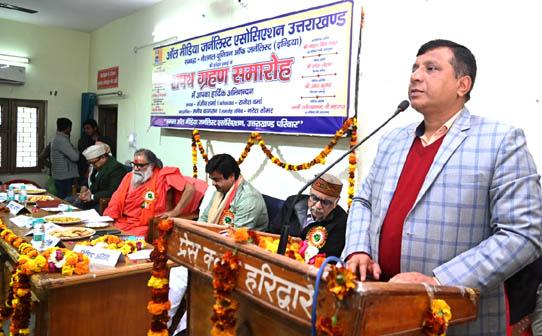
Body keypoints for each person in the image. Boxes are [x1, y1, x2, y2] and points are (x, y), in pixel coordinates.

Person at [342, 39, 542, 335]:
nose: (415, 76)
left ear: (463, 85)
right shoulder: (393, 140)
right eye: (414, 68)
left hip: (454, 318)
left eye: (431, 68)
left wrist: (439, 281)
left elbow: (522, 233)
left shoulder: (500, 141)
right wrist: (358, 247)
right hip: (381, 306)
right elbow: (364, 201)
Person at [104, 148, 207, 236]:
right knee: (106, 234)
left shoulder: (163, 176)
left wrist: (175, 212)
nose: (136, 168)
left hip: (147, 225)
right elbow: (116, 198)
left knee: (130, 239)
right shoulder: (129, 177)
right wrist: (110, 216)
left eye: (140, 165)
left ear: (152, 165)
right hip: (124, 221)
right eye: (134, 164)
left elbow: (190, 189)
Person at [269, 173, 347, 258]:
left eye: (326, 202)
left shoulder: (341, 221)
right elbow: (271, 233)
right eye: (314, 198)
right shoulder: (292, 203)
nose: (318, 206)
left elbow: (328, 258)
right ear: (310, 192)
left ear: (336, 202)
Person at [198, 153, 268, 230]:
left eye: (216, 179)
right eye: (212, 179)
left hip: (246, 240)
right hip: (219, 236)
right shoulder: (220, 191)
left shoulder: (248, 198)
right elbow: (204, 218)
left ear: (232, 176)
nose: (213, 183)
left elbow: (238, 235)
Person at [66, 143, 127, 210]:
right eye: (90, 163)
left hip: (104, 202)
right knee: (66, 201)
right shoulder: (98, 165)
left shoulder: (116, 168)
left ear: (103, 157)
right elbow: (93, 182)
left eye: (93, 163)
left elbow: (113, 191)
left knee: (75, 208)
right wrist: (87, 192)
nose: (92, 165)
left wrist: (92, 196)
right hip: (93, 197)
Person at [50, 117, 80, 199]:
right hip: (64, 177)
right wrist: (77, 150)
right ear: (68, 128)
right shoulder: (62, 140)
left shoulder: (58, 138)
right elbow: (75, 157)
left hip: (60, 175)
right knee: (67, 200)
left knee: (63, 199)